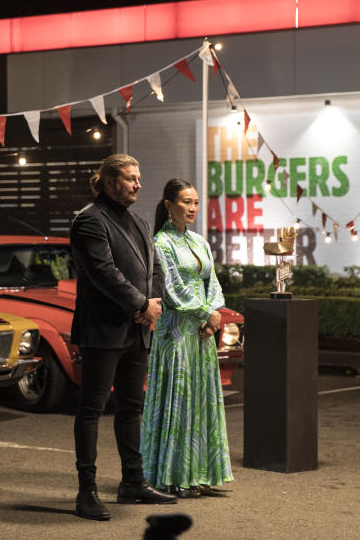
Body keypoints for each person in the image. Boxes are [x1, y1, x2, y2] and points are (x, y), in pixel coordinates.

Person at [70, 154, 177, 521]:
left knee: (132, 409)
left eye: (139, 177)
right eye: (131, 178)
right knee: (91, 410)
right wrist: (141, 304)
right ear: (109, 180)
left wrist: (154, 302)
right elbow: (103, 272)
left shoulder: (139, 221)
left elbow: (155, 269)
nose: (138, 184)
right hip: (103, 329)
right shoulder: (89, 220)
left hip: (137, 329)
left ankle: (133, 481)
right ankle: (87, 491)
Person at [140, 178, 233, 498]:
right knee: (178, 404)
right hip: (176, 333)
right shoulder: (160, 244)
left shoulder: (199, 241)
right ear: (168, 205)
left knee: (202, 401)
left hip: (200, 335)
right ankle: (173, 476)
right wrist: (206, 314)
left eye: (195, 202)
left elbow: (213, 283)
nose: (192, 208)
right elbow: (170, 290)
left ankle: (201, 474)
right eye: (185, 202)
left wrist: (214, 313)